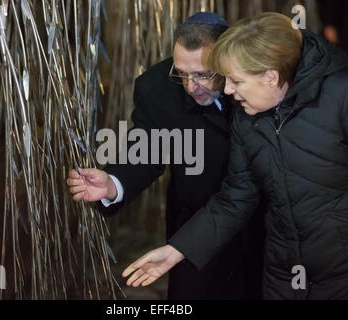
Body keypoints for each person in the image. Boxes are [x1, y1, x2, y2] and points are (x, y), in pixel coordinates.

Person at [122, 12, 348, 300]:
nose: (227, 91)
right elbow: (236, 197)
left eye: (236, 82)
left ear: (271, 76)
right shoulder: (248, 116)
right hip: (283, 276)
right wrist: (177, 251)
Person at [67, 12, 265, 299]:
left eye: (202, 74)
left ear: (227, 61)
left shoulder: (256, 77)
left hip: (262, 222)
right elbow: (147, 148)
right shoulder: (157, 87)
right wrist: (113, 183)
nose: (190, 86)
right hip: (194, 223)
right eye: (181, 73)